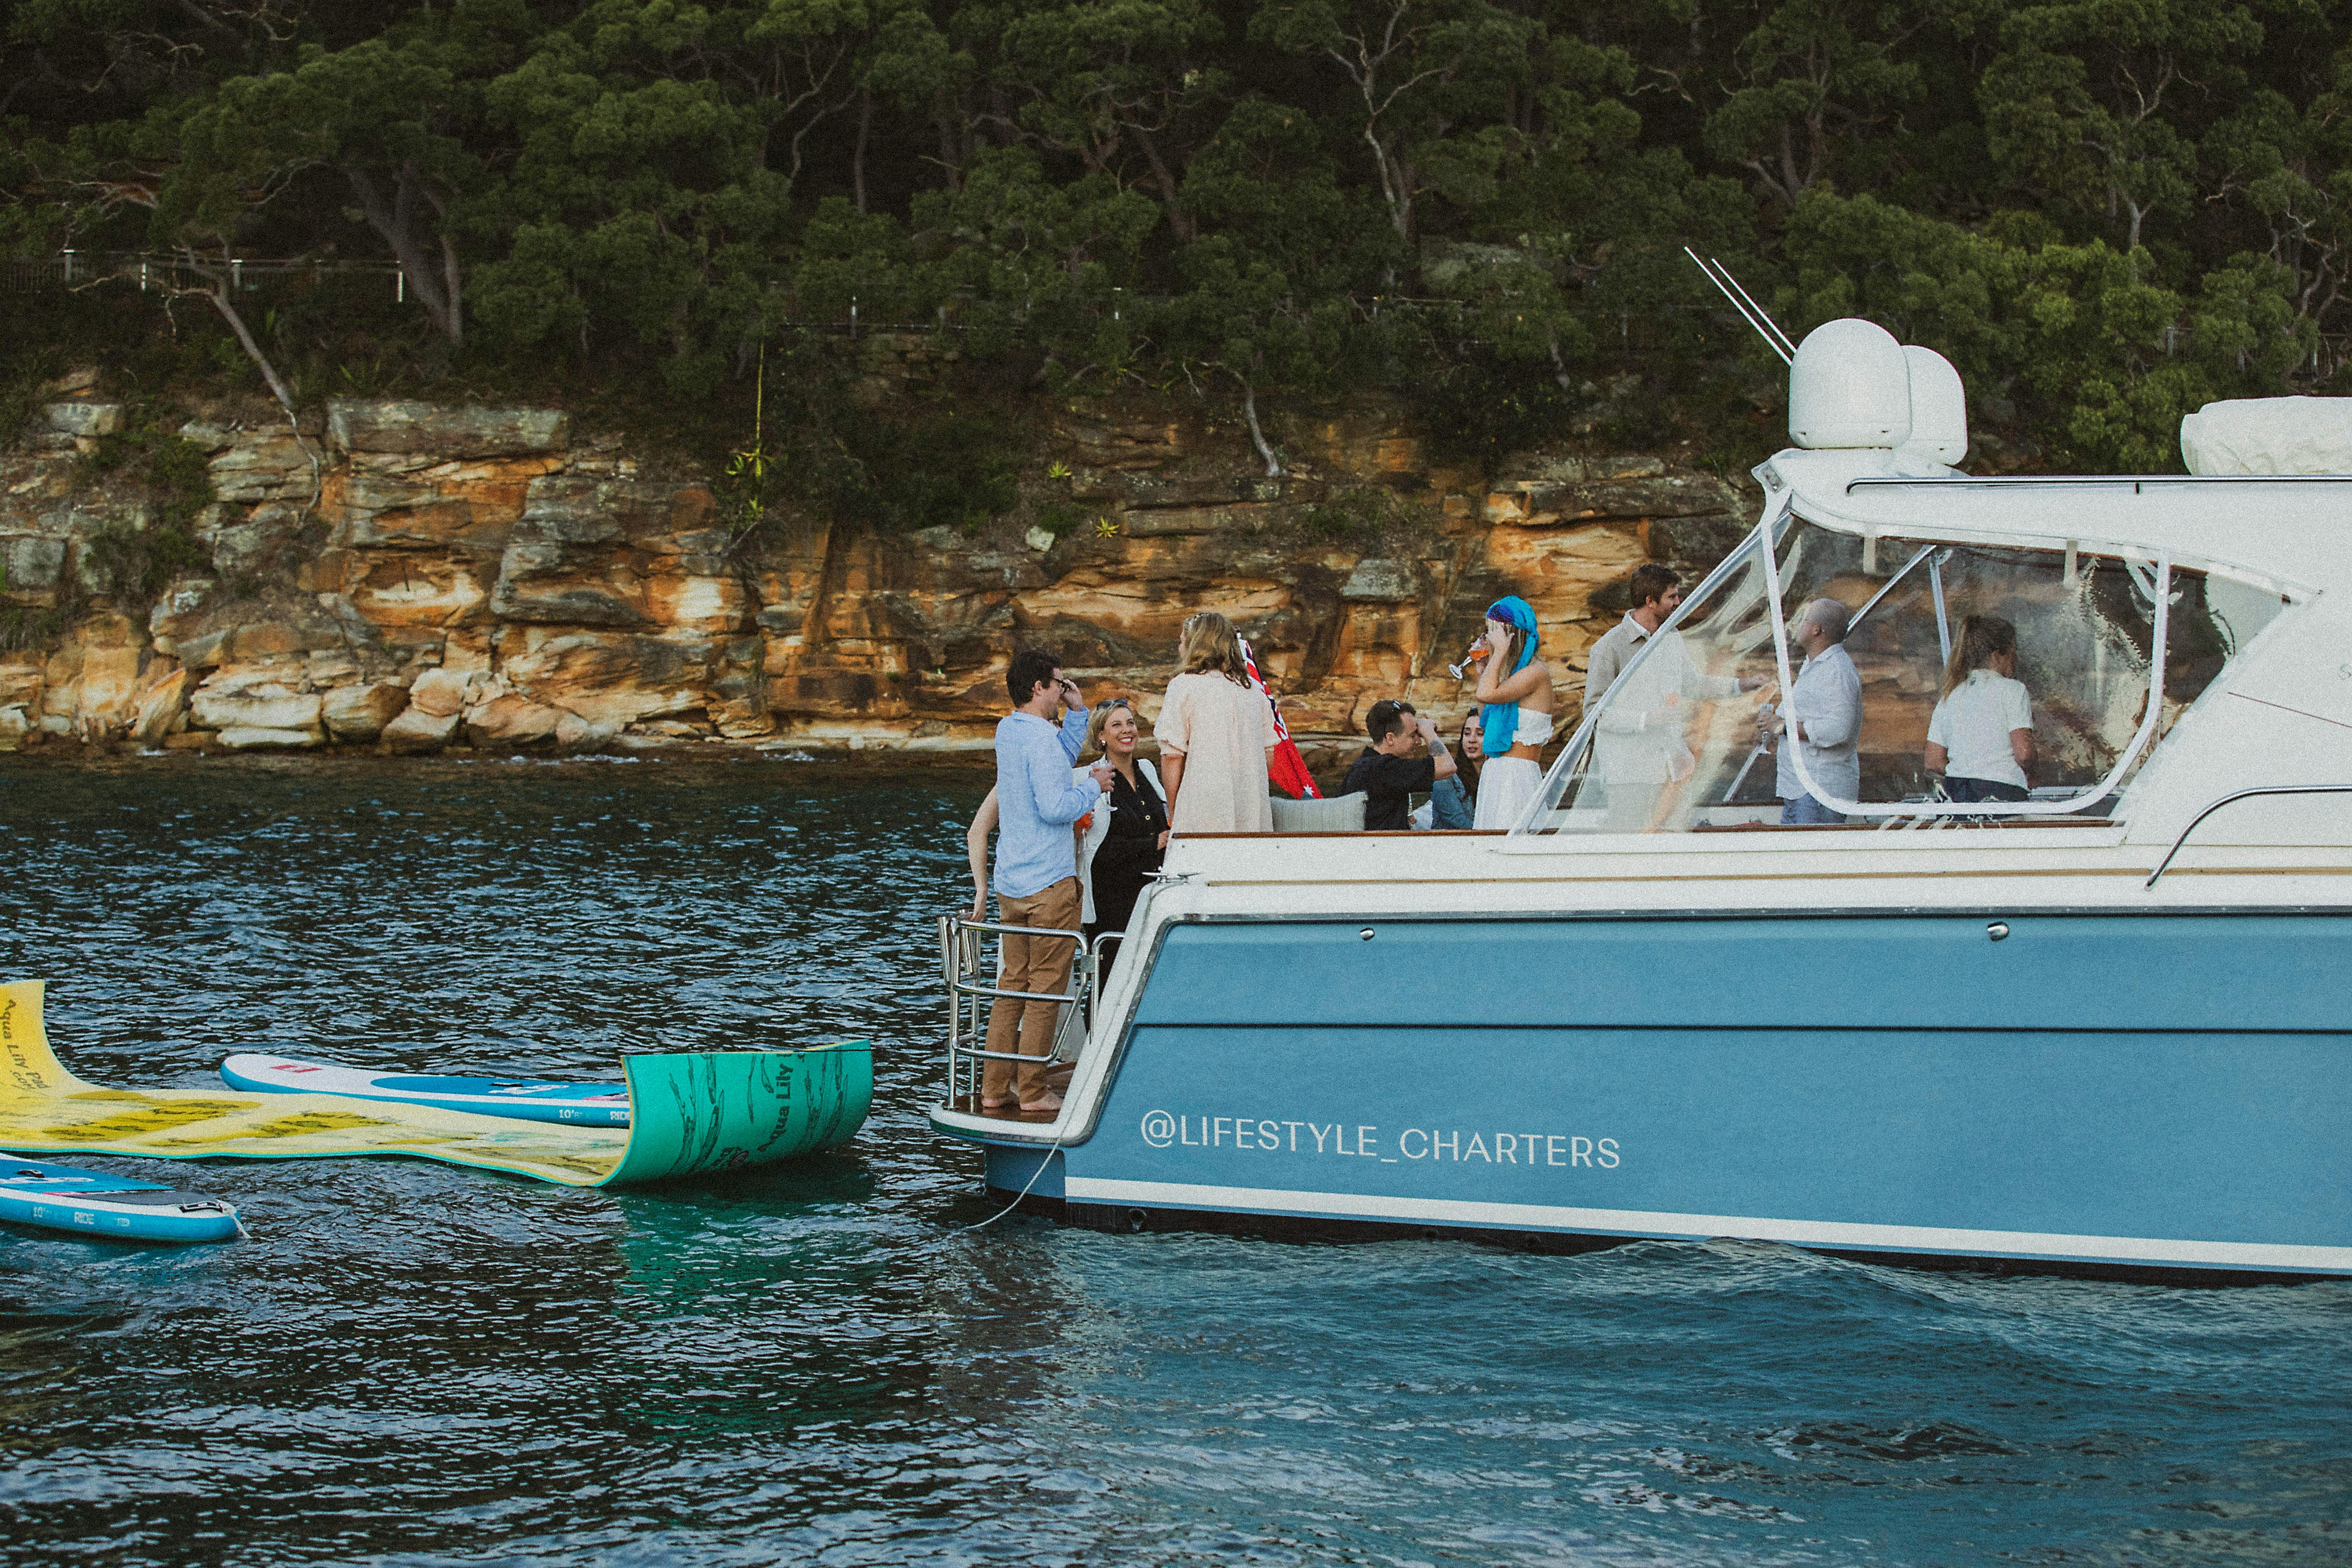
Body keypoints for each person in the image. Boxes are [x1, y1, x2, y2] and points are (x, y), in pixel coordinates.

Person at [983, 649, 1112, 1113]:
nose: (1063, 690)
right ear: (1038, 687)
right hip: (1048, 883)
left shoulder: (1010, 731)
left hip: (1012, 883)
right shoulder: (1039, 740)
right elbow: (1057, 807)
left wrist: (1078, 713)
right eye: (1059, 684)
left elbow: (1056, 758)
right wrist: (1095, 785)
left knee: (1012, 985)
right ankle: (1034, 1092)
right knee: (1045, 990)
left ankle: (995, 1088)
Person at [1587, 564, 1767, 831]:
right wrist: (1648, 719)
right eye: (1672, 597)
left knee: (1670, 849)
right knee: (1630, 851)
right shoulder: (1609, 647)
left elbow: (1692, 685)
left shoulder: (1670, 638)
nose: (1678, 603)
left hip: (1671, 769)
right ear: (1650, 602)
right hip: (1629, 775)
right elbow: (1594, 713)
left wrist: (1742, 685)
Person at [1157, 611, 1279, 834]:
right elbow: (1268, 757)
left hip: (1202, 810)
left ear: (1196, 645)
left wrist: (1174, 810)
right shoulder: (1253, 689)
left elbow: (1172, 757)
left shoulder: (1184, 686)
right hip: (1251, 809)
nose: (1180, 648)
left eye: (1183, 642)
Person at [1074, 699, 1169, 961]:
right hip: (1111, 900)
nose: (1127, 730)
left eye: (1130, 723)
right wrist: (1155, 843)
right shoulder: (1088, 779)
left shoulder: (1147, 769)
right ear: (1101, 735)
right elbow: (1096, 848)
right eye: (1116, 725)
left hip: (1153, 894)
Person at [1770, 597, 1863, 825]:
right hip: (1801, 789)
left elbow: (1839, 730)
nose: (1796, 625)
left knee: (1811, 860)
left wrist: (1783, 727)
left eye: (1803, 620)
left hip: (1819, 791)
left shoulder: (1837, 671)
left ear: (1816, 630)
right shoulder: (1813, 666)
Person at [1926, 615, 2033, 804]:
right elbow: (2024, 753)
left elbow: (1933, 761)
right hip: (2003, 793)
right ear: (1996, 657)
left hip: (1957, 794)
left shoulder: (1950, 695)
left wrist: (1969, 771)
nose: (2015, 659)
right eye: (2012, 652)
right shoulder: (2013, 690)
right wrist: (2034, 774)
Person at [1469, 596, 1554, 830]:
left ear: (1511, 637)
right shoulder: (1511, 679)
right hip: (1497, 772)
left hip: (1516, 775)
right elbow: (1485, 715)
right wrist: (1484, 671)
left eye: (1495, 633)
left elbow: (1486, 694)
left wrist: (1498, 655)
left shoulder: (1535, 674)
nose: (1490, 640)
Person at [1342, 699, 1458, 831]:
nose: (1419, 742)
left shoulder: (1365, 764)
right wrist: (1428, 731)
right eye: (1413, 735)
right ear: (1390, 738)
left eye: (1418, 735)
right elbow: (1448, 767)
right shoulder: (1385, 768)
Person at [1417, 710, 1482, 829]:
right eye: (1467, 734)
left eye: (1480, 734)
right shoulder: (1447, 774)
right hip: (1452, 843)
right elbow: (1456, 821)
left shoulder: (1495, 773)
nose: (1472, 740)